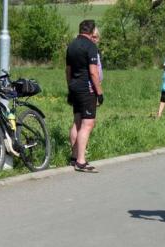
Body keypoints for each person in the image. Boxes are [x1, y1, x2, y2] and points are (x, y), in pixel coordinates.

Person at [66, 19, 103, 173]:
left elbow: (67, 71)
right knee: (87, 124)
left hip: (74, 87)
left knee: (77, 122)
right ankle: (81, 161)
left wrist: (69, 88)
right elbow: (93, 72)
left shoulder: (72, 45)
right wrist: (99, 93)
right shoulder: (91, 46)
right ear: (91, 30)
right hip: (87, 90)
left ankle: (74, 157)